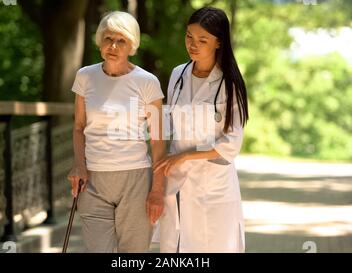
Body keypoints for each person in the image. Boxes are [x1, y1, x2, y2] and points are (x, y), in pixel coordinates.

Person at [67, 11, 165, 253]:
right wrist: (79, 165)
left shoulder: (147, 82)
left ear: (132, 45)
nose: (113, 46)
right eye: (108, 38)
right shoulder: (85, 77)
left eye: (121, 40)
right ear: (100, 41)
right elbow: (79, 127)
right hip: (93, 180)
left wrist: (157, 190)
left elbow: (159, 140)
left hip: (135, 180)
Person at [153, 7, 249, 253]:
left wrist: (186, 155)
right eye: (189, 36)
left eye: (202, 40)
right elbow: (167, 125)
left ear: (219, 42)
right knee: (176, 251)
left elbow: (231, 143)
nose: (192, 45)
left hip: (214, 186)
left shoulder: (230, 83)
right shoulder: (178, 75)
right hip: (177, 181)